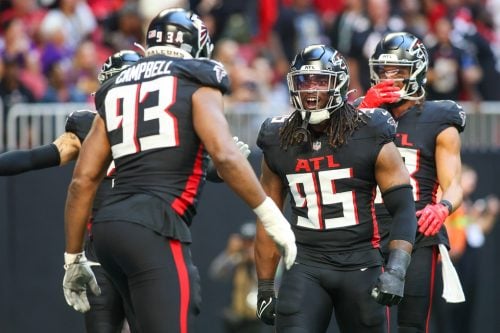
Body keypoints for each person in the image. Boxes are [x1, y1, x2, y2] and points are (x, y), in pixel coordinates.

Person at [62, 8, 297, 333]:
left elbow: (83, 180)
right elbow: (227, 158)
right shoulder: (196, 79)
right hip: (155, 227)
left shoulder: (116, 87)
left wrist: (72, 256)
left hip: (105, 233)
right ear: (195, 46)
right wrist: (272, 217)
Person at [254, 44, 418, 333]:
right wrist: (266, 286)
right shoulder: (278, 137)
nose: (311, 90)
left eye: (321, 80)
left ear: (340, 84)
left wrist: (396, 269)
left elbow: (404, 206)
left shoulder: (370, 129)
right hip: (305, 264)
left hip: (361, 265)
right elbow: (269, 217)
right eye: (305, 82)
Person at [358, 32, 466, 332]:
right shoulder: (359, 115)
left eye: (399, 71)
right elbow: (335, 153)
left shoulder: (438, 119)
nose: (389, 78)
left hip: (418, 232)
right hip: (365, 233)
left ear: (417, 71)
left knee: (412, 326)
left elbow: (454, 183)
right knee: (367, 323)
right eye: (384, 71)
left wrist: (442, 208)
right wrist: (365, 112)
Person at [209, 222, 265, 333]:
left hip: (257, 319)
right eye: (246, 241)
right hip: (237, 317)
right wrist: (229, 253)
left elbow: (272, 283)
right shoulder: (237, 258)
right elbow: (216, 273)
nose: (248, 245)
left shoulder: (266, 259)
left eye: (252, 241)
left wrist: (257, 261)